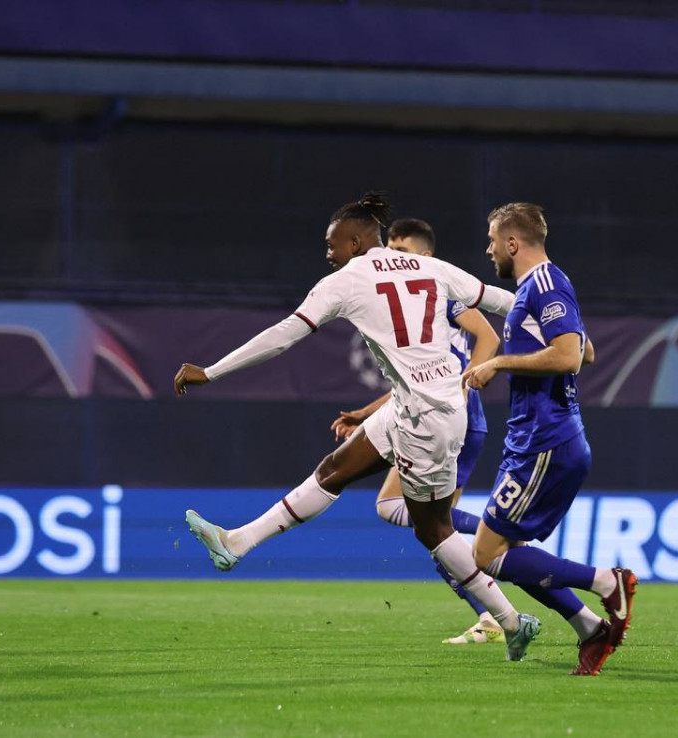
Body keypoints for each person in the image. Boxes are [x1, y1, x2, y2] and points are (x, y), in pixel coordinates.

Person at [174, 192, 543, 662]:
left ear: (354, 242)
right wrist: (560, 326)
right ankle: (236, 542)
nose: (328, 254)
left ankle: (510, 621)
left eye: (332, 245)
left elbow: (283, 336)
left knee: (433, 531)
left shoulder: (347, 280)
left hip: (428, 418)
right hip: (420, 405)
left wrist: (211, 371)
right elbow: (504, 301)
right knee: (334, 470)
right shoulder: (431, 267)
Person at [461, 202, 635, 676]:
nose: (489, 249)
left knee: (486, 555)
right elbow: (586, 349)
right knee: (512, 552)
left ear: (512, 243)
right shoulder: (539, 289)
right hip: (536, 440)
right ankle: (589, 628)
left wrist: (498, 362)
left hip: (545, 440)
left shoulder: (545, 284)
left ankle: (607, 582)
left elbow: (570, 357)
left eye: (493, 241)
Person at [329, 218, 503, 646]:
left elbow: (488, 336)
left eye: (401, 251)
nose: (390, 258)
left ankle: (497, 540)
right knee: (429, 531)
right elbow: (411, 386)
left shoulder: (440, 291)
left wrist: (465, 385)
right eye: (389, 249)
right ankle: (491, 611)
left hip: (450, 419)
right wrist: (365, 414)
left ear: (425, 256)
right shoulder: (402, 300)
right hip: (427, 415)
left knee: (411, 517)